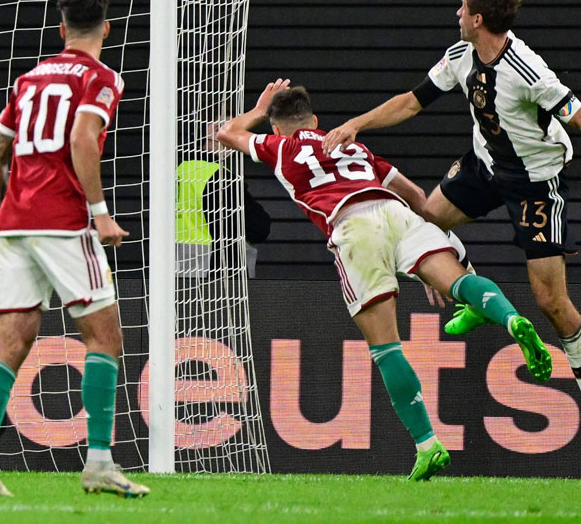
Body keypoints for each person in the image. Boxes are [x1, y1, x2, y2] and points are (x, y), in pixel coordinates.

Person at [217, 80, 551, 480]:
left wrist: (258, 110)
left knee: (386, 348)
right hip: (398, 214)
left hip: (353, 228)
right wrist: (430, 253)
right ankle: (511, 318)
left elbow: (227, 134)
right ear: (315, 121)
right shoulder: (355, 147)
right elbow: (418, 197)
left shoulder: (279, 147)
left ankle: (427, 445)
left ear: (276, 128)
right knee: (459, 281)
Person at [322, 0, 581, 389]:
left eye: (463, 7)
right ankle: (476, 297)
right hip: (485, 164)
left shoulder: (528, 70)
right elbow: (411, 103)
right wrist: (357, 124)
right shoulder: (461, 54)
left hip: (534, 183)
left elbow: (575, 113)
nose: (457, 13)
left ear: (478, 19)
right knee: (426, 218)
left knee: (551, 301)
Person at [0, 0, 148, 498]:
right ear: (105, 28)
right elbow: (83, 138)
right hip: (64, 221)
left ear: (62, 29)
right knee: (105, 337)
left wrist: (9, 217)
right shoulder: (101, 77)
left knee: (12, 341)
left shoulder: (28, 80)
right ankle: (100, 463)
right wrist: (101, 215)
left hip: (14, 223)